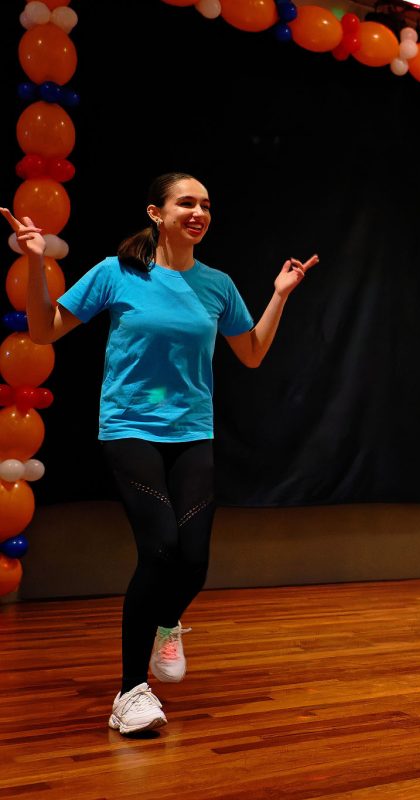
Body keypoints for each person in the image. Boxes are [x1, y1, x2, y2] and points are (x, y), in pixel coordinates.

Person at [3, 172, 318, 735]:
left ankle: (166, 623)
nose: (199, 213)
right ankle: (130, 691)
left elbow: (250, 353)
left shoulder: (217, 284)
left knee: (193, 561)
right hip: (130, 427)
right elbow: (44, 330)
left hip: (192, 432)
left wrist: (279, 295)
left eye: (206, 205)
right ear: (156, 212)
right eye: (186, 203)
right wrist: (33, 261)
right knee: (160, 549)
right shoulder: (116, 272)